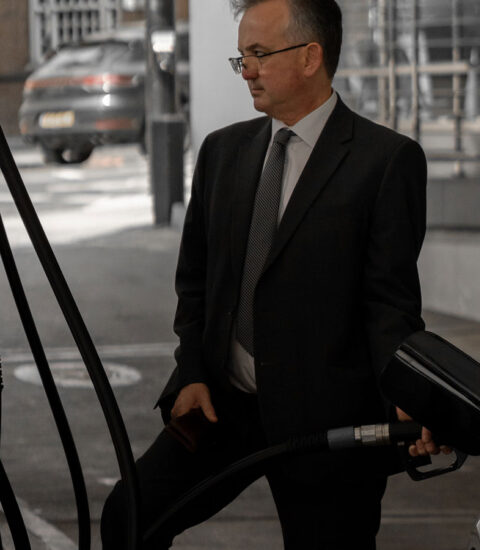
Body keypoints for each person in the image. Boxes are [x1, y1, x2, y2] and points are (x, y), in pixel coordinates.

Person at [100, 0, 439, 547]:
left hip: (324, 426)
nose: (247, 70)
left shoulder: (385, 162)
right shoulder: (221, 153)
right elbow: (196, 284)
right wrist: (190, 372)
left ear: (310, 57)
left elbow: (390, 305)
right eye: (242, 57)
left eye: (259, 54)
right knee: (128, 517)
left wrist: (412, 393)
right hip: (222, 407)